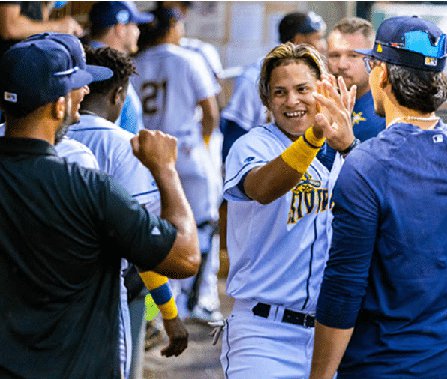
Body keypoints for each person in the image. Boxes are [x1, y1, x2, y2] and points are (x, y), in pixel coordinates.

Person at [0, 38, 199, 378]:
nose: (84, 93)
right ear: (59, 106)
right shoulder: (87, 185)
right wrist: (165, 170)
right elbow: (184, 257)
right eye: (77, 87)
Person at [310, 16, 447, 379]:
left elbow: (344, 286)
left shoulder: (368, 164)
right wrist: (352, 150)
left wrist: (319, 376)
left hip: (386, 365)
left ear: (382, 76)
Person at [220, 42, 356, 378]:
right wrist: (315, 136)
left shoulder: (346, 149)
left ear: (322, 89)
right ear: (267, 100)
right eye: (279, 92)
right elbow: (263, 189)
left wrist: (350, 147)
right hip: (264, 333)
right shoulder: (252, 145)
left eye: (302, 89)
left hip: (332, 333)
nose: (292, 101)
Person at [65, 44, 188, 378]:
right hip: (109, 296)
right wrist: (168, 312)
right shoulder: (124, 145)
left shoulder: (46, 132)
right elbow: (148, 251)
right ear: (118, 95)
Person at [133, 7, 223, 323]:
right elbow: (210, 111)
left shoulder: (138, 61)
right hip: (186, 150)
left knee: (158, 236)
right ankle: (198, 303)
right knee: (201, 229)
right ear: (172, 26)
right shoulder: (188, 58)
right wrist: (206, 145)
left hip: (150, 157)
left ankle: (157, 312)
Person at [220, 11, 327, 162]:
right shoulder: (253, 76)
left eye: (301, 89)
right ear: (300, 40)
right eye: (318, 38)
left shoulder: (318, 73)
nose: (323, 45)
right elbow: (236, 131)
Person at [320, 17, 385, 169]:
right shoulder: (315, 103)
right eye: (335, 55)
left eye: (353, 56)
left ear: (373, 60)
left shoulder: (387, 110)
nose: (342, 65)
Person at [88, 1, 154, 134]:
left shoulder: (79, 60)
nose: (138, 31)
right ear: (120, 29)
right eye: (134, 25)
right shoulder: (112, 69)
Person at [0, 1, 82, 58]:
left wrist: (48, 5)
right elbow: (10, 27)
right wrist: (58, 27)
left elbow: (37, 24)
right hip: (10, 69)